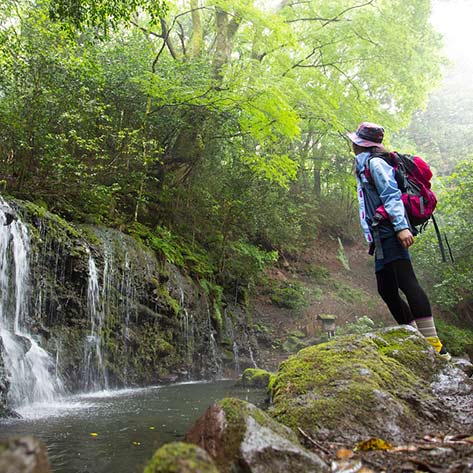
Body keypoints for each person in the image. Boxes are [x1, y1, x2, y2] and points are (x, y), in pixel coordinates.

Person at [347, 122, 450, 360]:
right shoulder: (364, 165)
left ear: (361, 144)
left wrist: (401, 227)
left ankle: (435, 346)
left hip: (390, 229)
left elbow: (391, 194)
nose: (352, 144)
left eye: (355, 141)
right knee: (386, 289)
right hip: (381, 233)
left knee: (407, 282)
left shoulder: (375, 163)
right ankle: (415, 338)